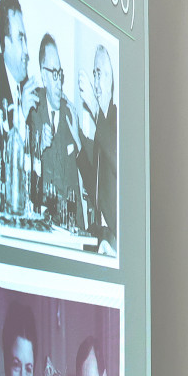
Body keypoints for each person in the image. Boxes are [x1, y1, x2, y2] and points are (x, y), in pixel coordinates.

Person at [26, 34, 81, 225]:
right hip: (40, 223)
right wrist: (38, 146)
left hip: (67, 225)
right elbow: (23, 169)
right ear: (43, 74)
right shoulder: (32, 109)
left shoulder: (68, 115)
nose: (59, 82)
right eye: (54, 74)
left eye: (61, 73)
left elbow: (74, 182)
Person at [77, 44, 117, 254]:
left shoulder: (117, 120)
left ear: (111, 80)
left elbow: (119, 161)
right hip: (101, 235)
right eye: (94, 74)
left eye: (99, 73)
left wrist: (93, 108)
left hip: (117, 240)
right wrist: (78, 142)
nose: (96, 83)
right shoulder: (102, 127)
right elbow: (96, 190)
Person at [0, 0, 38, 152]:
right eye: (21, 39)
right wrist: (21, 115)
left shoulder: (26, 85)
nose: (27, 51)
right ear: (6, 44)